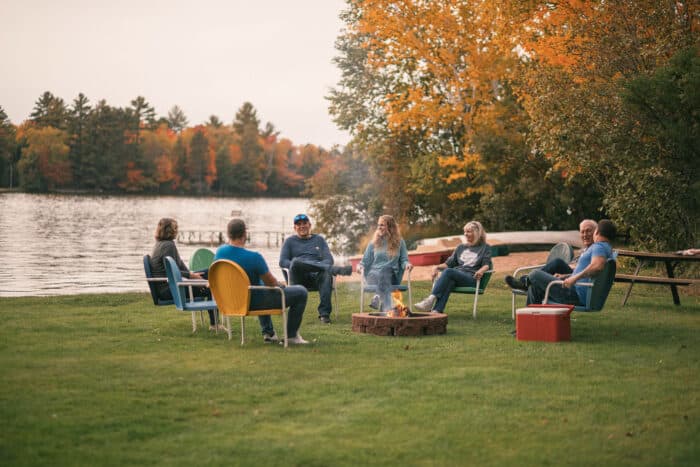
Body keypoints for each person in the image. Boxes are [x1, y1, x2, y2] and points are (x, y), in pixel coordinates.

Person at [215, 218, 309, 345]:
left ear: (228, 234)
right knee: (301, 292)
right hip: (253, 302)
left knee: (259, 283)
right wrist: (280, 285)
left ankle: (269, 333)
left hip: (231, 301)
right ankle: (291, 336)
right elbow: (271, 283)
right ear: (245, 234)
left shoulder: (220, 252)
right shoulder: (254, 257)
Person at [279, 213, 352, 324]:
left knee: (326, 272)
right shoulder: (289, 242)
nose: (302, 226)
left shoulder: (319, 240)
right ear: (295, 228)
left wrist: (313, 266)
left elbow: (329, 260)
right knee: (296, 262)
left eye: (304, 223)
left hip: (316, 277)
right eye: (298, 224)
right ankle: (336, 270)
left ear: (310, 225)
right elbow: (283, 261)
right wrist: (304, 265)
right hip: (298, 278)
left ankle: (324, 315)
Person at [149, 217, 219, 331]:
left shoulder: (162, 244)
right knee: (213, 288)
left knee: (210, 272)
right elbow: (171, 271)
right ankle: (214, 324)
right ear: (168, 230)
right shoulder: (168, 245)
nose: (177, 230)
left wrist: (192, 275)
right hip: (170, 289)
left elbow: (179, 266)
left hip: (172, 284)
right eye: (175, 228)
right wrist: (192, 277)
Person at [525, 219, 616, 306]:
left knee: (534, 274)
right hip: (576, 291)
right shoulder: (606, 248)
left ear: (597, 232)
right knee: (534, 287)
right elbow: (589, 272)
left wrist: (575, 278)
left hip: (574, 294)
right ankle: (531, 320)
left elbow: (597, 267)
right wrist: (566, 276)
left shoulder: (599, 246)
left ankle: (524, 282)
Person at [414, 221, 493, 313]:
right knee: (450, 280)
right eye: (465, 232)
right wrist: (436, 267)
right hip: (457, 276)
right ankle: (436, 311)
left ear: (477, 233)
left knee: (448, 272)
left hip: (472, 278)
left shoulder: (485, 247)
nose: (465, 234)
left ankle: (430, 299)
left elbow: (486, 265)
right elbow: (448, 264)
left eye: (469, 232)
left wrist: (481, 271)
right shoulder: (461, 247)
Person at [505, 219, 597, 291]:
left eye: (588, 231)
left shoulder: (596, 249)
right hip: (569, 275)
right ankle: (528, 285)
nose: (585, 235)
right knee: (535, 286)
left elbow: (588, 269)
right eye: (582, 232)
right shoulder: (585, 250)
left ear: (595, 233)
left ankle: (526, 281)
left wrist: (571, 269)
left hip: (575, 279)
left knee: (558, 263)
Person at [357, 215, 413, 312]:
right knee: (383, 280)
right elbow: (364, 261)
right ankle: (385, 309)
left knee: (386, 269)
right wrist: (360, 266)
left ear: (390, 227)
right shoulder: (373, 243)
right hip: (373, 277)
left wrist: (407, 264)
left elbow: (404, 260)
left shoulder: (400, 242)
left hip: (391, 276)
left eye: (382, 225)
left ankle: (378, 297)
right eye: (378, 225)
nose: (379, 227)